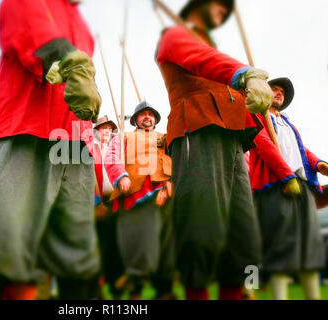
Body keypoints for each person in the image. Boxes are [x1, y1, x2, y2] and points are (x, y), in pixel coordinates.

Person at [0, 0, 101, 300]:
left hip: (75, 142)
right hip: (24, 128)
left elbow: (83, 85)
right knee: (0, 241)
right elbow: (30, 28)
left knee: (74, 255)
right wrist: (70, 62)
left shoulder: (84, 28)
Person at [155, 0, 273, 300]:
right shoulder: (175, 35)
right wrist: (243, 73)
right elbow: (201, 58)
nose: (223, 9)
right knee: (202, 229)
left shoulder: (214, 48)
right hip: (197, 130)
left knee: (242, 237)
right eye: (218, 4)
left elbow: (214, 61)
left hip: (233, 141)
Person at [248, 77, 328, 300]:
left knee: (310, 245)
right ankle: (251, 287)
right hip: (275, 186)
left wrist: (319, 164)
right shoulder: (256, 117)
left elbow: (301, 150)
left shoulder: (287, 123)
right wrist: (285, 176)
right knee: (280, 245)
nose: (279, 93)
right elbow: (264, 147)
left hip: (301, 185)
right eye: (274, 89)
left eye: (282, 91)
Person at [104, 101, 175, 299]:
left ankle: (164, 290)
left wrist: (169, 184)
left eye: (151, 114)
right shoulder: (123, 137)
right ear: (135, 120)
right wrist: (121, 176)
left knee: (166, 245)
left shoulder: (165, 138)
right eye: (143, 114)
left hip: (166, 193)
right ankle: (134, 286)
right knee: (139, 241)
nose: (147, 117)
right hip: (136, 193)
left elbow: (176, 158)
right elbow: (111, 157)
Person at [92, 115, 124, 299]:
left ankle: (116, 287)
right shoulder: (90, 151)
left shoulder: (118, 149)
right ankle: (96, 288)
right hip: (97, 202)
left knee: (115, 245)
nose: (106, 131)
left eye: (109, 128)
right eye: (103, 128)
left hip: (115, 201)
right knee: (97, 247)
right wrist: (96, 202)